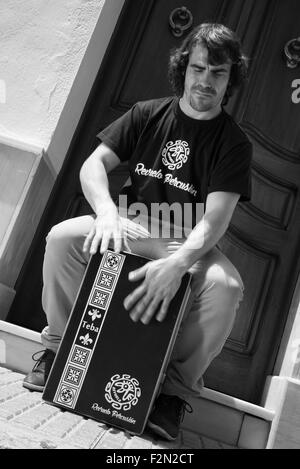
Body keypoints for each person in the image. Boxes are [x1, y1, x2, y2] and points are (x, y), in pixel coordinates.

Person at [23, 23, 252, 441]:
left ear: (231, 78)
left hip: (185, 238)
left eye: (218, 73)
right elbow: (94, 165)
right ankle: (58, 349)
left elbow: (216, 218)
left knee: (226, 286)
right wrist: (107, 212)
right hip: (128, 221)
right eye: (198, 68)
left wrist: (180, 262)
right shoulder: (148, 113)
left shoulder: (234, 143)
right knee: (62, 237)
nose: (205, 80)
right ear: (183, 68)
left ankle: (171, 395)